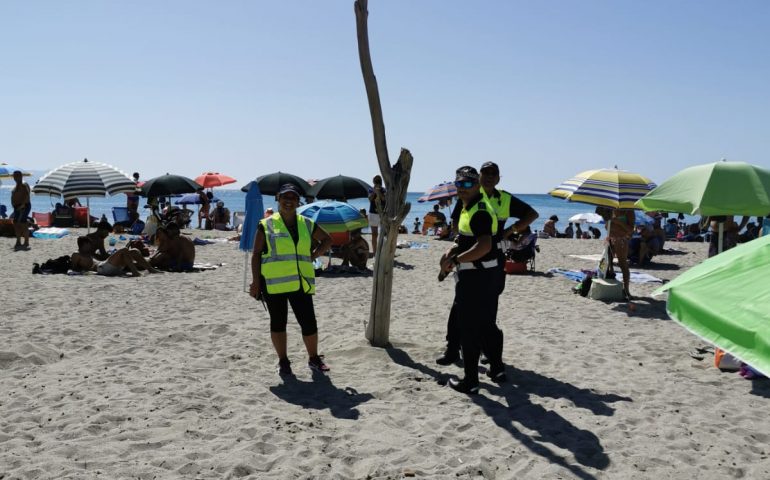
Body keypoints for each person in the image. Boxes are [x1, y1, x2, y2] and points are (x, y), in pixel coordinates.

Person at [440, 161, 538, 367]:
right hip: (469, 259)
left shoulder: (504, 199)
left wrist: (511, 230)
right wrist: (456, 245)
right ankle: (452, 349)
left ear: (499, 177)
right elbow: (457, 224)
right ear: (478, 177)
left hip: (494, 260)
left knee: (489, 307)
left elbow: (532, 215)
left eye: (493, 173)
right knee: (459, 306)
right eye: (485, 173)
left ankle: (489, 354)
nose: (489, 176)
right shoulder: (468, 195)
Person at [249, 183, 333, 376]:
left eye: (293, 198)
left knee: (309, 323)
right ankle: (283, 361)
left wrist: (313, 255)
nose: (289, 201)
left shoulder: (306, 223)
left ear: (297, 201)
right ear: (278, 199)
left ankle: (313, 358)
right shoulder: (266, 224)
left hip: (300, 282)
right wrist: (256, 282)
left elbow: (327, 240)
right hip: (274, 283)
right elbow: (256, 254)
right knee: (278, 323)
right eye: (285, 198)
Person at [437, 166, 505, 394]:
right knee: (486, 325)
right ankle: (497, 369)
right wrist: (453, 250)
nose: (462, 188)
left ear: (477, 185)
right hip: (485, 274)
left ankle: (471, 380)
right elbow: (467, 238)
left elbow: (483, 245)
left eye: (467, 184)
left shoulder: (480, 210)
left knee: (469, 328)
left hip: (478, 275)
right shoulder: (469, 207)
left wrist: (457, 262)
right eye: (458, 184)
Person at [71, 236, 161, 276]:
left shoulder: (88, 253)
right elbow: (74, 268)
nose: (90, 246)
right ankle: (135, 272)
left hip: (109, 267)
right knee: (124, 250)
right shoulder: (76, 254)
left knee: (134, 251)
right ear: (83, 244)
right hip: (102, 268)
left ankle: (151, 269)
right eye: (88, 244)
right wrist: (85, 272)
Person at [605, 208, 635, 300]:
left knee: (622, 264)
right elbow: (606, 226)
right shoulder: (611, 209)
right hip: (610, 239)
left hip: (621, 240)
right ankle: (611, 288)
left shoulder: (628, 210)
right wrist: (608, 223)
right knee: (607, 264)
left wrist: (618, 222)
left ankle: (626, 290)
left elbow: (631, 229)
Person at [10, 170, 31, 251]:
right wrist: (13, 204)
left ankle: (26, 241)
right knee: (16, 223)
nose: (15, 177)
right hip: (17, 207)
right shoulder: (16, 186)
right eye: (14, 176)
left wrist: (22, 205)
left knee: (23, 223)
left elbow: (27, 195)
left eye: (17, 176)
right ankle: (18, 241)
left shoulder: (24, 184)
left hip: (23, 206)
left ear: (21, 176)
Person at [368, 175, 386, 254]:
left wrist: (379, 192)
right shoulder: (371, 190)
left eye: (378, 181)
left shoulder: (383, 190)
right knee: (374, 234)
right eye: (376, 181)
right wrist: (374, 192)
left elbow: (384, 199)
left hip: (382, 213)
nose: (377, 183)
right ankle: (375, 252)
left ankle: (382, 251)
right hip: (373, 213)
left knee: (383, 233)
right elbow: (370, 199)